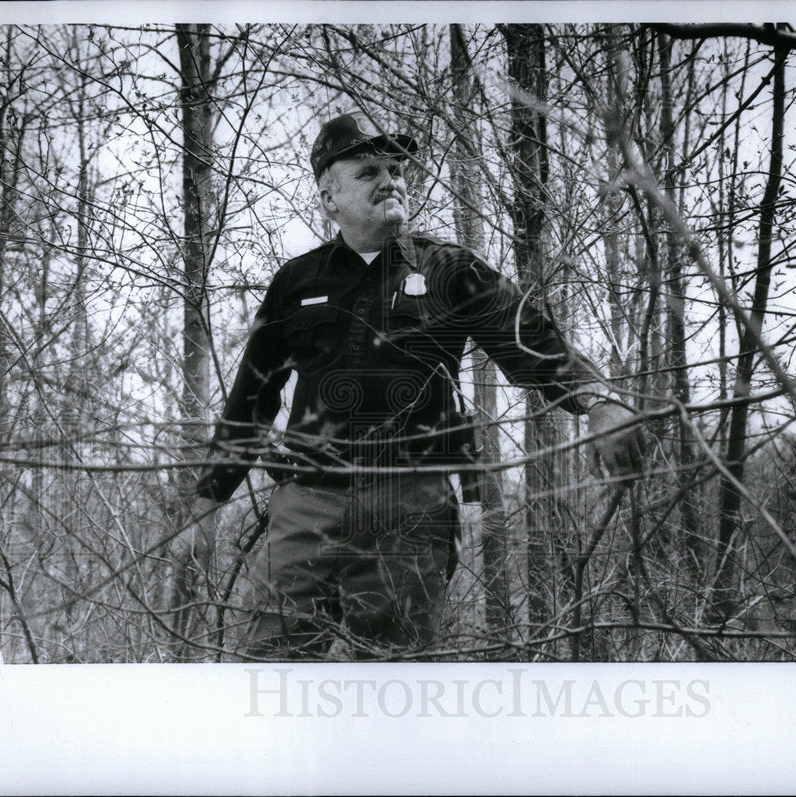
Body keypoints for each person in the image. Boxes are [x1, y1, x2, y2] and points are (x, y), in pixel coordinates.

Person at [176, 112, 643, 660]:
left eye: (397, 170)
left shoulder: (449, 270)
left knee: (397, 681)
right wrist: (204, 508)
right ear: (329, 196)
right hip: (307, 503)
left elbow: (533, 339)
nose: (391, 180)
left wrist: (601, 400)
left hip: (409, 506)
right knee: (269, 665)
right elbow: (250, 403)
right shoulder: (296, 282)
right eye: (369, 170)